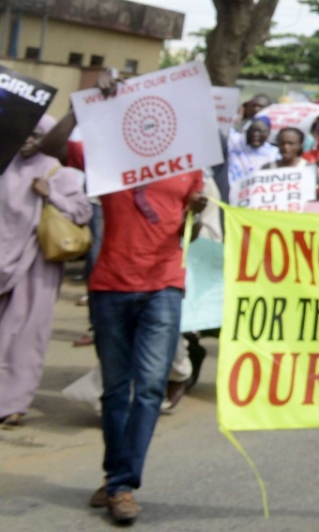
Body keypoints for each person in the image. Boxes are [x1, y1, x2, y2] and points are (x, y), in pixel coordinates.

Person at [37, 107, 206, 525]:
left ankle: (121, 484)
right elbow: (50, 147)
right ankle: (118, 480)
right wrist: (82, 107)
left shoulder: (190, 163)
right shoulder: (109, 154)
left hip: (164, 285)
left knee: (150, 387)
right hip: (111, 286)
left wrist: (196, 214)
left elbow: (190, 231)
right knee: (116, 391)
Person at [0, 118, 91, 428]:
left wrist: (50, 194)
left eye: (36, 134)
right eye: (23, 131)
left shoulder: (56, 170)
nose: (27, 139)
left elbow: (83, 211)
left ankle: (14, 404)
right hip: (2, 261)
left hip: (36, 267)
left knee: (26, 336)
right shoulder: (5, 163)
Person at [224, 117, 277, 187]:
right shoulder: (236, 143)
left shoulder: (274, 153)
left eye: (260, 131)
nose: (255, 134)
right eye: (252, 131)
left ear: (268, 133)